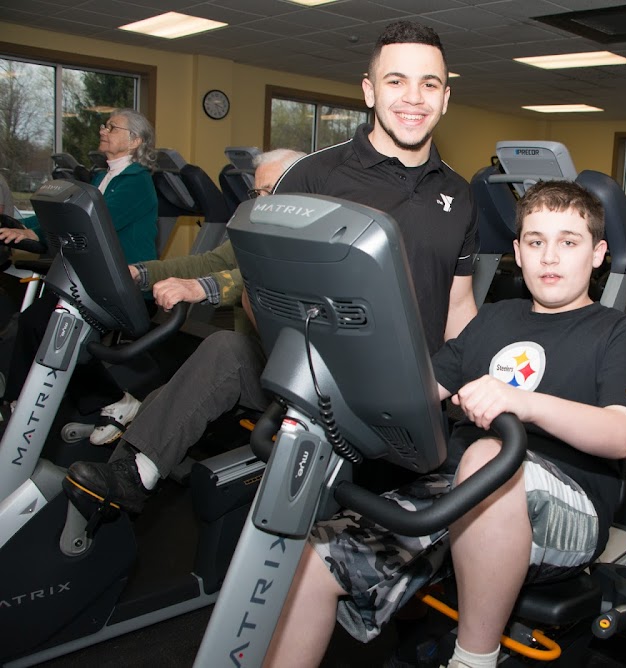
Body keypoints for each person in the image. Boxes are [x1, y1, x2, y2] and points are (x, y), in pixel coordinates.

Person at [64, 20, 479, 514]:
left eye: (429, 84)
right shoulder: (313, 177)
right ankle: (136, 470)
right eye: (396, 81)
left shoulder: (459, 195)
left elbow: (458, 305)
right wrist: (311, 374)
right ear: (369, 91)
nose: (413, 97)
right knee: (227, 348)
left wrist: (470, 386)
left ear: (445, 98)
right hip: (316, 381)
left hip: (412, 400)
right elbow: (258, 294)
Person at [262, 180, 626, 668]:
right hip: (452, 493)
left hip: (568, 513)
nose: (550, 257)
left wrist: (523, 403)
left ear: (597, 254)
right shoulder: (493, 319)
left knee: (490, 457)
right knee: (313, 563)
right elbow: (421, 393)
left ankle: (472, 660)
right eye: (536, 241)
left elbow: (620, 434)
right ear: (518, 252)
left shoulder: (620, 333)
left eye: (568, 242)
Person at [84, 147, 307, 445]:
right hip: (257, 360)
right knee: (156, 401)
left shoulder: (312, 240)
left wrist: (203, 288)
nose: (260, 203)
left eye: (270, 191)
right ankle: (130, 461)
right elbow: (209, 263)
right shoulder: (257, 230)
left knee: (222, 349)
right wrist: (142, 272)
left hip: (291, 378)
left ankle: (138, 462)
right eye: (257, 194)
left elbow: (271, 281)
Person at [0, 108, 159, 408]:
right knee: (34, 321)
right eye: (104, 125)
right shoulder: (102, 177)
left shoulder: (137, 182)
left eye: (111, 127)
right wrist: (24, 227)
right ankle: (18, 400)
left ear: (135, 140)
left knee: (53, 330)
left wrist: (35, 233)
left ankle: (116, 401)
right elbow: (65, 212)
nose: (102, 130)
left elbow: (92, 223)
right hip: (91, 278)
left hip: (124, 283)